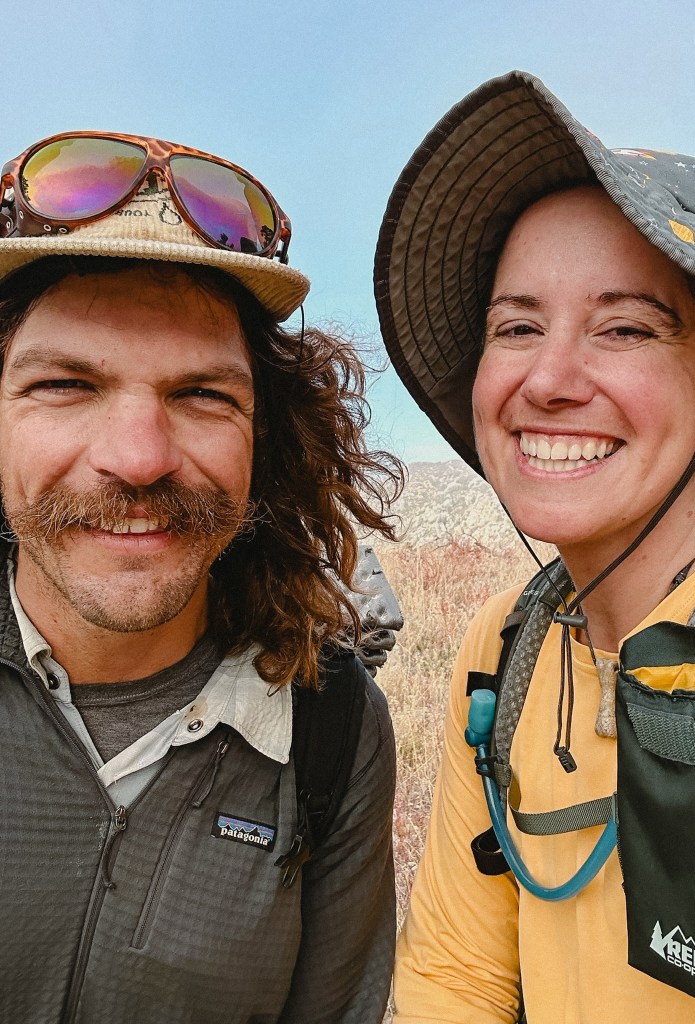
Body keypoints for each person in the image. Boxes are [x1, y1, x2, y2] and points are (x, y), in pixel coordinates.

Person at [374, 71, 695, 1022]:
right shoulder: (504, 647)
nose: (549, 379)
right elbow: (456, 978)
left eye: (624, 328)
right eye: (517, 326)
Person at [0, 131, 402, 1023]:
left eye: (202, 395)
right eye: (66, 384)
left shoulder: (333, 731)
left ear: (267, 437)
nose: (139, 458)